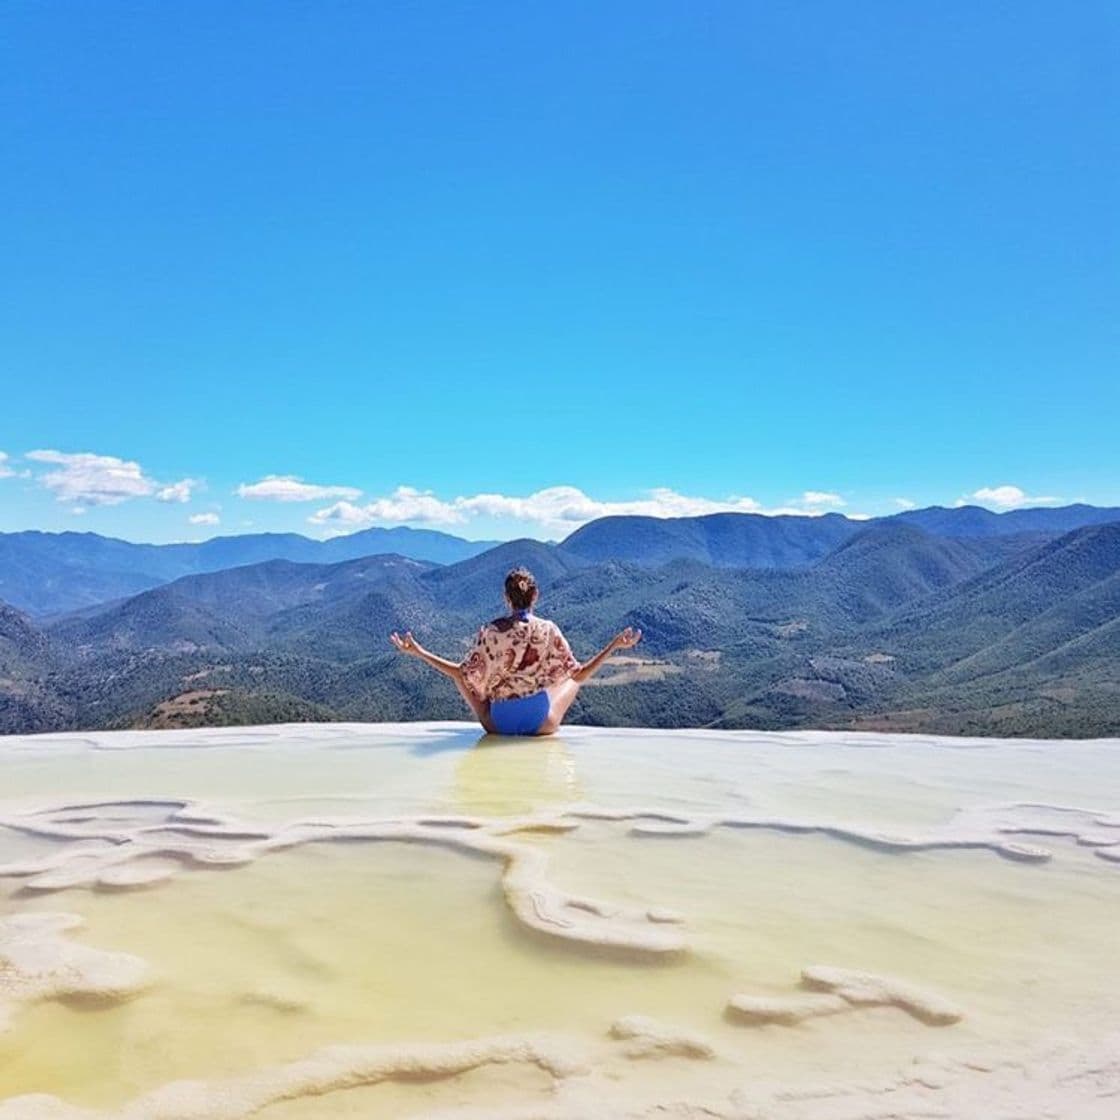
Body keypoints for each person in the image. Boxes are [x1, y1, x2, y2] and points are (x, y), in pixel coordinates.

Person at [389, 566, 642, 736]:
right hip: (541, 722)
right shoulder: (549, 630)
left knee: (462, 676)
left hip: (499, 723)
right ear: (536, 595)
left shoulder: (491, 632)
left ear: (506, 598)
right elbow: (579, 673)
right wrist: (615, 645)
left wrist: (419, 652)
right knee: (570, 681)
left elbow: (462, 673)